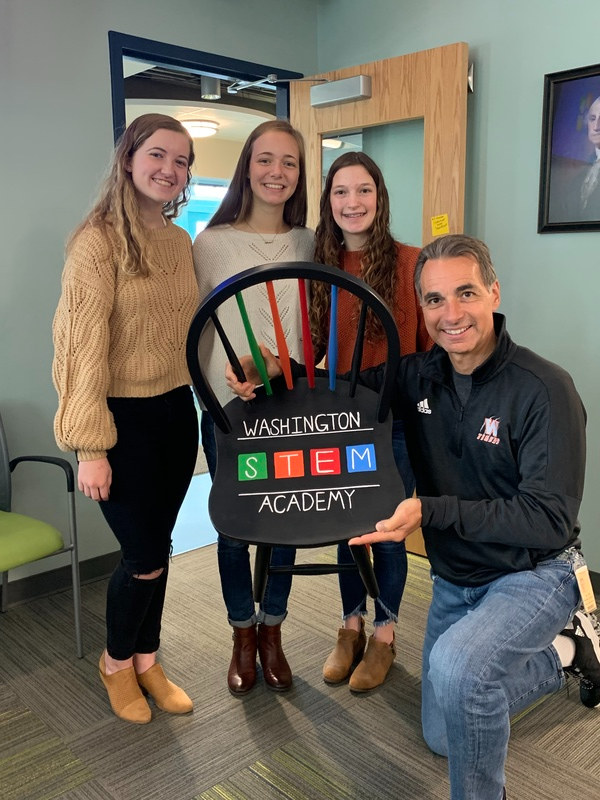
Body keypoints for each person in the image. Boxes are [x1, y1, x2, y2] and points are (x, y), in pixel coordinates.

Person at [226, 233, 600, 800]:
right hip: (455, 578)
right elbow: (339, 391)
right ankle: (571, 650)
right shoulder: (417, 374)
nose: (451, 314)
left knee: (457, 670)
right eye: (434, 300)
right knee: (445, 732)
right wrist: (274, 371)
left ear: (493, 292)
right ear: (420, 307)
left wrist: (430, 511)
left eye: (466, 293)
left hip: (536, 572)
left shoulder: (546, 389)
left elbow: (547, 521)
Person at [53, 113, 199, 724]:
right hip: (119, 421)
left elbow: (188, 332)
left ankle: (148, 657)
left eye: (183, 161)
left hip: (174, 411)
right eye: (159, 155)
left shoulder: (178, 241)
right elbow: (80, 343)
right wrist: (90, 446)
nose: (170, 169)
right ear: (129, 159)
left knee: (160, 546)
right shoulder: (96, 242)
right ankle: (116, 662)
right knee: (141, 556)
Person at [192, 120, 314, 696]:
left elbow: (312, 327)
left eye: (289, 162)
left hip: (291, 408)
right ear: (247, 167)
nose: (276, 173)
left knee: (285, 520)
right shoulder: (210, 244)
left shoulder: (309, 242)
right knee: (237, 529)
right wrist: (227, 380)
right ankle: (242, 634)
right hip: (228, 411)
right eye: (265, 160)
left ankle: (274, 630)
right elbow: (197, 334)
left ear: (300, 174)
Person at [310, 152, 431, 692]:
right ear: (328, 201)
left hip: (395, 411)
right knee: (345, 524)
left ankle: (384, 634)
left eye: (363, 191)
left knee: (385, 528)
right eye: (341, 192)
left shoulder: (411, 262)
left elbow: (428, 351)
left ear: (379, 198)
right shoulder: (319, 265)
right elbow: (311, 349)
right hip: (341, 412)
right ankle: (349, 625)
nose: (352, 203)